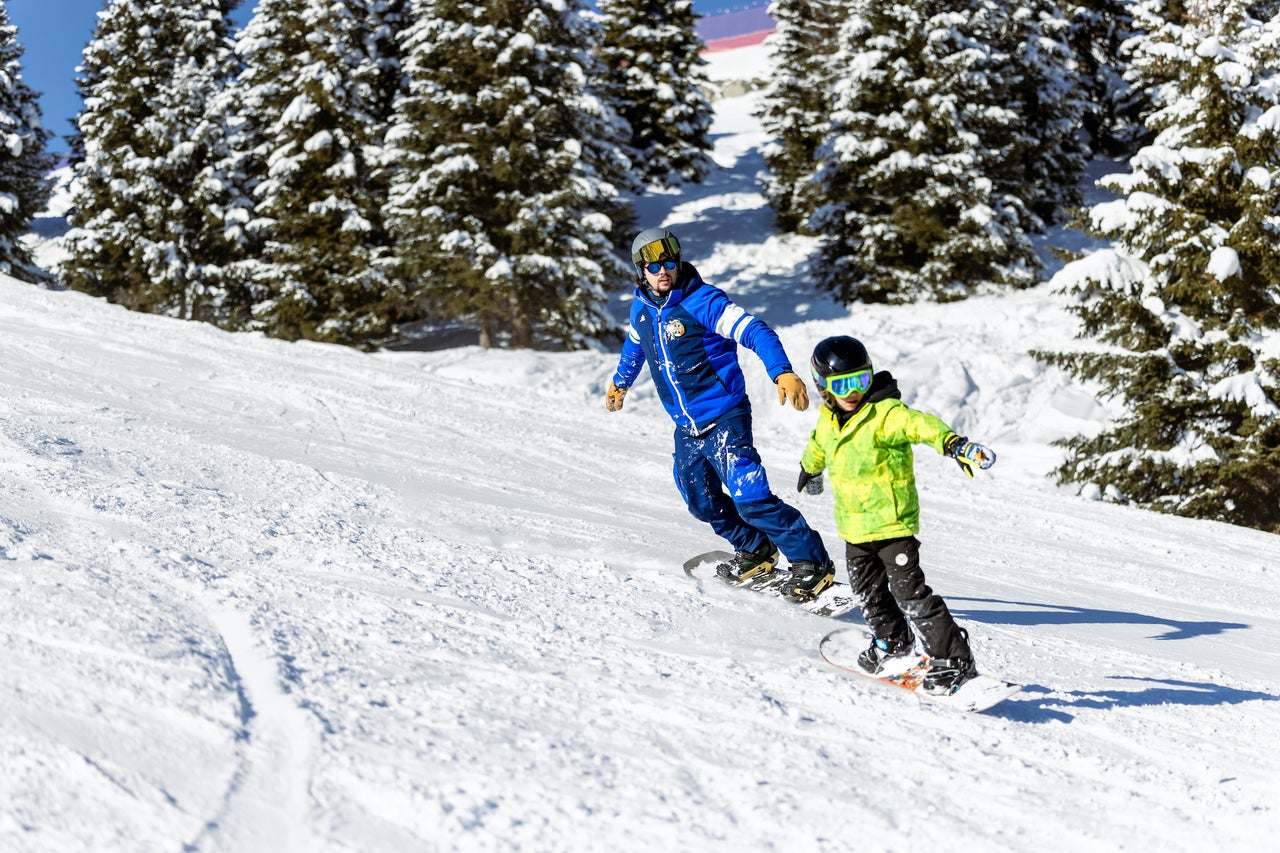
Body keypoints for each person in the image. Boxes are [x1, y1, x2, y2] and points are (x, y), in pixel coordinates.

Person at [605, 227, 834, 592]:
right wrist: (620, 382)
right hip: (687, 426)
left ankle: (812, 562)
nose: (664, 270)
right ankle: (755, 548)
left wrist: (782, 372)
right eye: (654, 265)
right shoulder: (641, 310)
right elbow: (635, 347)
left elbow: (756, 331)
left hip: (726, 414)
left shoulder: (703, 301)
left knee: (751, 497)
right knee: (701, 501)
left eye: (669, 262)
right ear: (641, 272)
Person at [797, 335, 997, 694]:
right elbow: (818, 445)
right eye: (842, 384)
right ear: (823, 386)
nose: (854, 390)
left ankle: (953, 659)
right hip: (855, 529)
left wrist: (954, 444)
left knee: (910, 595)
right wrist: (810, 470)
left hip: (892, 526)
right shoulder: (828, 419)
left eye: (860, 379)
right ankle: (891, 643)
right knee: (868, 594)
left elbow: (921, 425)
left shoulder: (886, 414)